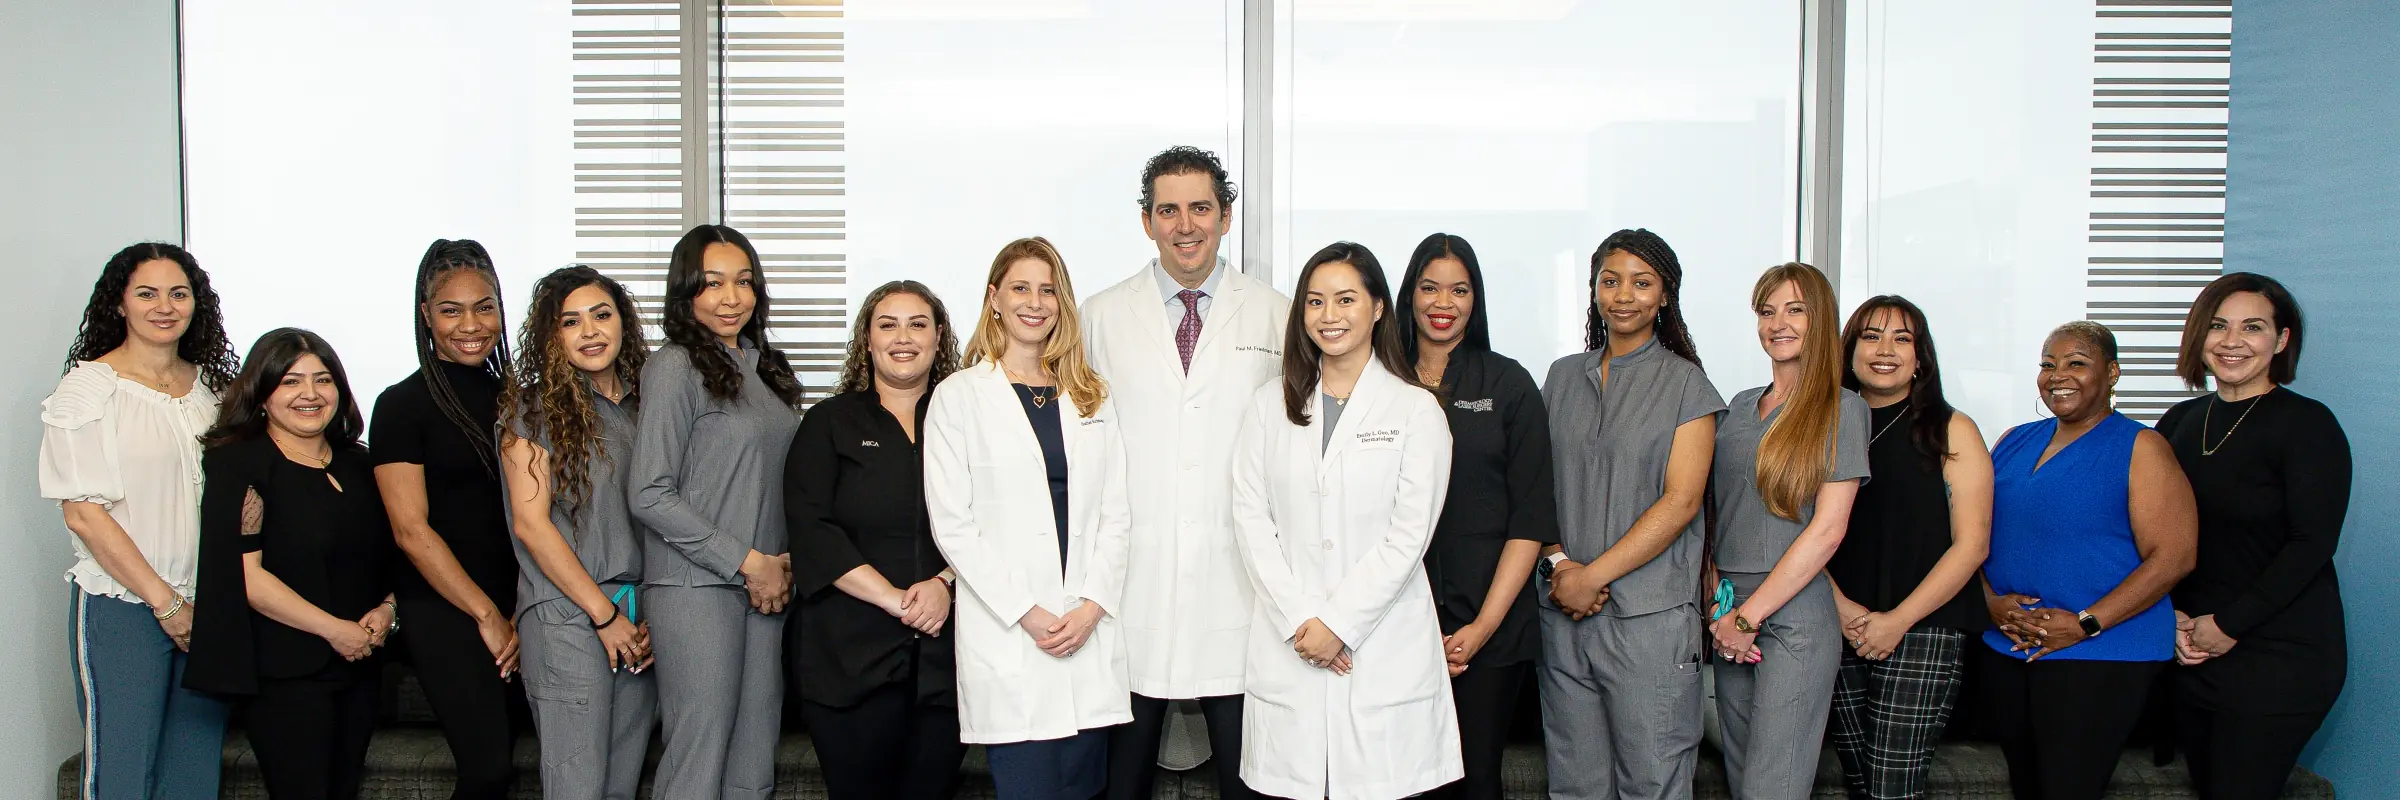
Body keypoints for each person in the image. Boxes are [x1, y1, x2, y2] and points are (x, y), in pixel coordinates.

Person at [1081, 145, 1284, 800]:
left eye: (1201, 207)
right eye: (1168, 210)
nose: (1185, 224)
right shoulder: (1100, 317)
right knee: (1123, 784)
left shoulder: (1277, 316)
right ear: (1147, 222)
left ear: (1226, 217)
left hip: (1241, 591)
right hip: (1131, 588)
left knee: (1249, 782)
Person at [1229, 241, 1462, 800]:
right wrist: (1303, 622)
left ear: (1378, 307)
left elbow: (1409, 537)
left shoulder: (1415, 410)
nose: (1328, 316)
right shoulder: (1268, 406)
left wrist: (1339, 625)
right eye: (1314, 301)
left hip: (1380, 649)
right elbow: (1250, 520)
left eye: (1345, 299)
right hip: (1294, 642)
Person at [924, 236, 1134, 800]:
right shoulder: (959, 397)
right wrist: (1029, 613)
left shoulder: (1091, 395)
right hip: (1012, 634)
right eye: (1020, 288)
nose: (1035, 302)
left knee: (1085, 789)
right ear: (994, 297)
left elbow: (1117, 512)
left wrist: (1093, 606)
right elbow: (953, 526)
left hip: (1086, 628)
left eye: (1048, 290)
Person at [42, 243, 241, 800]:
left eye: (179, 294)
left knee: (192, 780)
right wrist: (167, 603)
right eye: (147, 293)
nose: (165, 306)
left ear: (196, 305)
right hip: (123, 607)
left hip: (208, 609)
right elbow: (83, 513)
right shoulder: (88, 389)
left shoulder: (213, 390)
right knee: (121, 778)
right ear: (120, 305)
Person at [1535, 230, 1721, 800]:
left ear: (1665, 296)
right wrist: (1563, 566)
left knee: (1652, 781)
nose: (1624, 295)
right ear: (1593, 290)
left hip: (1650, 623)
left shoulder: (1687, 384)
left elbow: (1682, 501)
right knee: (1575, 782)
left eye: (1642, 283)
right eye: (1610, 281)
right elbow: (1536, 487)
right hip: (1562, 613)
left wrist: (1593, 576)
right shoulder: (1563, 377)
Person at [1979, 320, 2196, 800]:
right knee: (2027, 788)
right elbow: (1973, 536)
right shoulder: (2013, 440)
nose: (2059, 375)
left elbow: (2174, 557)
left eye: (2077, 363)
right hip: (2010, 647)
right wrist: (1989, 603)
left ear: (2112, 372)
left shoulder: (2141, 447)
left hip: (2101, 653)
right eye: (2048, 364)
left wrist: (2086, 623)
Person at [2156, 274, 2349, 800]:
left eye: (2253, 327)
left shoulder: (2308, 425)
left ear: (2281, 341)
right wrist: (2168, 616)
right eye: (2218, 325)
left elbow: (2311, 543)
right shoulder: (2178, 421)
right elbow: (2151, 534)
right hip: (2192, 647)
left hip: (2279, 655)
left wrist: (2230, 624)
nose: (2232, 340)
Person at [631, 224, 807, 799]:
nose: (731, 298)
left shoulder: (764, 368)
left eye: (744, 282)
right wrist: (746, 560)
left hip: (766, 588)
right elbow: (649, 492)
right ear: (686, 293)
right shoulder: (676, 366)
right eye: (712, 284)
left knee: (754, 764)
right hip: (695, 589)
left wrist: (778, 565)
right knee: (698, 758)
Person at [185, 328, 397, 799]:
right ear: (262, 394)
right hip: (285, 671)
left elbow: (397, 553)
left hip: (362, 663)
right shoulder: (239, 464)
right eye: (290, 381)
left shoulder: (359, 464)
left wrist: (388, 610)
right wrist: (333, 629)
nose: (310, 394)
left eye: (323, 380)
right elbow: (247, 577)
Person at [786, 280, 970, 800]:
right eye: (887, 324)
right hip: (848, 662)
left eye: (918, 324)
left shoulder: (968, 422)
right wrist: (894, 600)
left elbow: (998, 520)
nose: (903, 337)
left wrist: (943, 583)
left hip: (947, 664)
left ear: (939, 338)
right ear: (867, 340)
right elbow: (811, 529)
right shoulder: (829, 423)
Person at [1395, 233, 1555, 800]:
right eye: (1430, 287)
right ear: (1409, 294)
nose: (1444, 302)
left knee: (1474, 779)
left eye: (1459, 289)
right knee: (1397, 781)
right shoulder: (1379, 381)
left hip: (1491, 628)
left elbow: (1531, 520)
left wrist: (1480, 630)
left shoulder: (1508, 383)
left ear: (1476, 298)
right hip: (1391, 623)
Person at [1707, 262, 1870, 800]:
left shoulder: (1842, 408)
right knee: (1740, 779)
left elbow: (1827, 531)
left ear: (1819, 319)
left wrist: (1751, 616)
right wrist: (1722, 612)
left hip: (1792, 614)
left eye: (1794, 309)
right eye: (1767, 310)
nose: (1778, 322)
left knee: (1772, 789)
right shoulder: (1736, 406)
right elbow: (1714, 515)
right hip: (1727, 612)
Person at [370, 239, 523, 799]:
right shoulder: (401, 406)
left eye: (485, 306)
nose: (471, 325)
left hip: (521, 601)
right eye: (451, 310)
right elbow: (411, 532)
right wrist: (487, 614)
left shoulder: (518, 399)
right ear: (426, 315)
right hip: (446, 607)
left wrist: (524, 609)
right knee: (487, 771)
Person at [499, 267, 658, 800]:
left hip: (640, 615)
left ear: (623, 324)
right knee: (577, 787)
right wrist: (605, 615)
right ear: (552, 337)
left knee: (619, 786)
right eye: (571, 321)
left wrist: (649, 615)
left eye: (602, 315)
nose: (590, 331)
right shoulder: (531, 412)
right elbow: (531, 525)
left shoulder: (649, 406)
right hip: (568, 615)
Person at [1826, 296, 1993, 800]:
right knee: (1856, 781)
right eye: (1871, 336)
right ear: (1850, 348)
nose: (1885, 349)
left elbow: (1973, 544)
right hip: (1838, 623)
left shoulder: (1950, 428)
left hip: (1923, 629)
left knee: (1890, 787)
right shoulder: (1824, 425)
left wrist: (1897, 620)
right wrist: (1841, 611)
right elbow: (1793, 532)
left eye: (1903, 338)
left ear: (1921, 356)